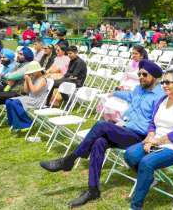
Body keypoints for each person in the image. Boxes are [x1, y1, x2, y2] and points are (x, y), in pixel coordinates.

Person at [39, 60, 164, 208]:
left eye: (145, 74)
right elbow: (129, 96)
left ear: (155, 77)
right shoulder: (138, 89)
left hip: (139, 136)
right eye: (139, 74)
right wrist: (114, 92)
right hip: (125, 131)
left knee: (102, 125)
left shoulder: (160, 96)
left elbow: (160, 120)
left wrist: (153, 139)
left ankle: (69, 160)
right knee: (99, 143)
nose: (141, 77)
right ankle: (93, 190)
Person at [124, 69, 173, 210]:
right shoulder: (162, 99)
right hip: (157, 140)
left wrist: (156, 142)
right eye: (163, 82)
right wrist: (150, 136)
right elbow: (153, 123)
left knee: (146, 163)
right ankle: (148, 179)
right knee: (130, 154)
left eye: (168, 82)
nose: (164, 85)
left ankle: (135, 206)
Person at [5, 61, 48, 130]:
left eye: (33, 72)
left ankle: (27, 123)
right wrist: (26, 80)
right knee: (8, 101)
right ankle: (15, 122)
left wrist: (29, 80)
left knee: (15, 102)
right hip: (30, 98)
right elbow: (26, 91)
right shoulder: (33, 78)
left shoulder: (42, 79)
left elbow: (34, 91)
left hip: (38, 101)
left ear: (38, 71)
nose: (31, 73)